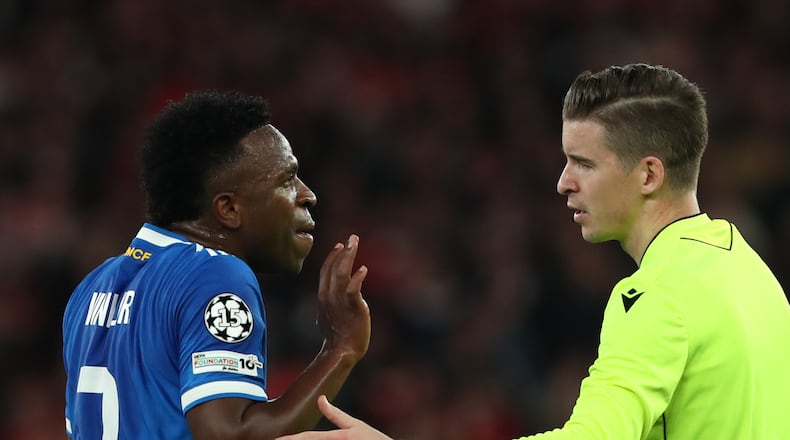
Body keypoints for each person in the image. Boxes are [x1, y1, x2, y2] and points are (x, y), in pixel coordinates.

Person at [276, 64, 790, 439]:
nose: (563, 183)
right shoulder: (750, 271)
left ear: (649, 175)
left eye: (583, 163)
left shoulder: (659, 296)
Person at [62, 90, 372, 439]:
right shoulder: (213, 274)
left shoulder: (91, 288)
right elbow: (230, 434)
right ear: (228, 209)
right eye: (287, 179)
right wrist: (341, 348)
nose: (307, 194)